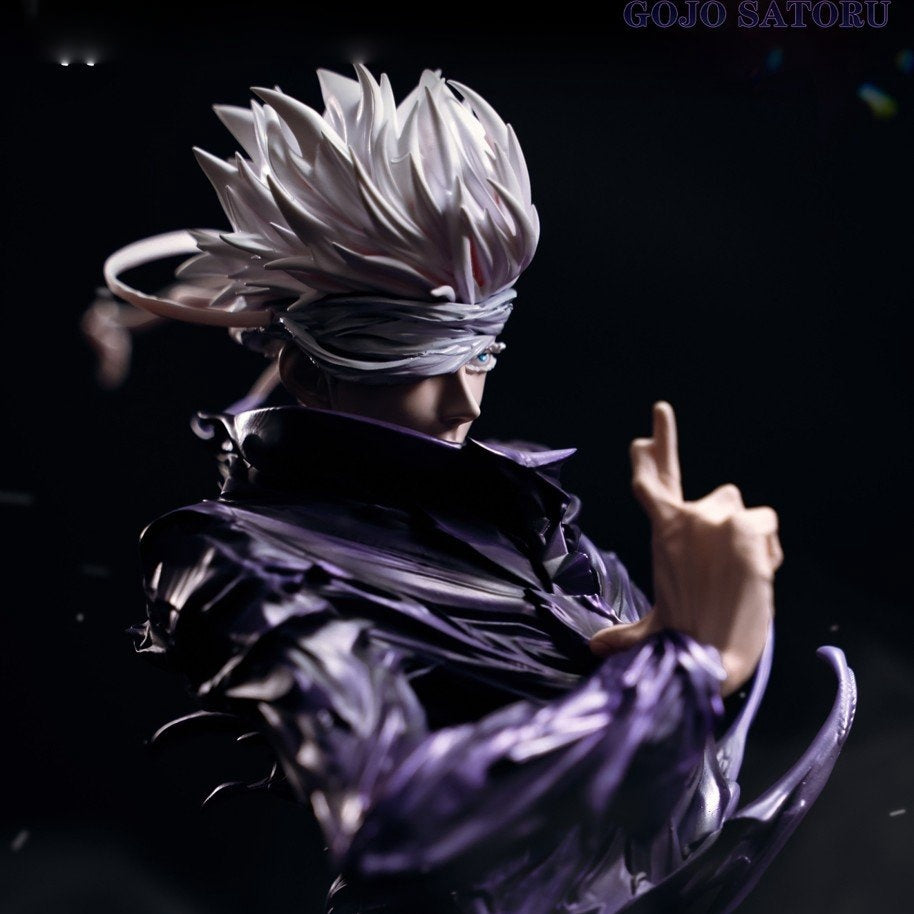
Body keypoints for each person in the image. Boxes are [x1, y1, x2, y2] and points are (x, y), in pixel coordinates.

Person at [95, 65, 856, 913]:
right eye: (418, 352)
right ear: (307, 367)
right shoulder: (224, 557)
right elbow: (400, 824)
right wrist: (685, 670)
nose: (467, 400)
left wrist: (675, 654)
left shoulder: (533, 524)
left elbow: (676, 815)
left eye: (483, 348)